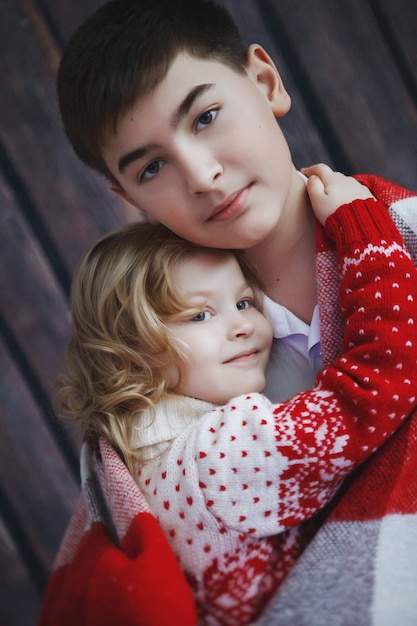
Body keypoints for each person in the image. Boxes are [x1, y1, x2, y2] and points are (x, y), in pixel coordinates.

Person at [53, 0, 417, 623]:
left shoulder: (402, 236)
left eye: (207, 116)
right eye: (153, 166)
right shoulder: (170, 375)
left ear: (267, 82)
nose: (203, 174)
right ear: (124, 194)